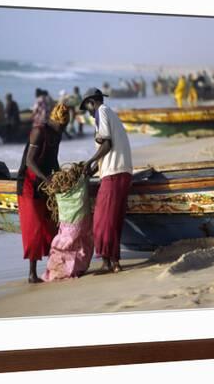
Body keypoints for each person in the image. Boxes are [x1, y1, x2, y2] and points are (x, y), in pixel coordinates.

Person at [17, 103, 71, 283]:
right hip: (30, 185)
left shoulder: (57, 134)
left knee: (51, 225)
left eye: (64, 127)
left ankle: (53, 266)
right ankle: (32, 274)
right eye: (60, 126)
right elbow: (29, 161)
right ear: (55, 121)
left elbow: (53, 159)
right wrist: (46, 179)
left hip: (46, 184)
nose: (61, 130)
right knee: (34, 228)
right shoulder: (39, 131)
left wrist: (60, 177)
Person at [81, 89, 133, 274]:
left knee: (101, 220)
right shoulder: (110, 114)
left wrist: (89, 161)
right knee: (114, 219)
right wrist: (92, 169)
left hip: (114, 174)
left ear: (91, 102)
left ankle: (107, 263)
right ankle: (115, 262)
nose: (87, 111)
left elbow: (107, 144)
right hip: (122, 171)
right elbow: (109, 151)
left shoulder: (101, 111)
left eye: (86, 107)